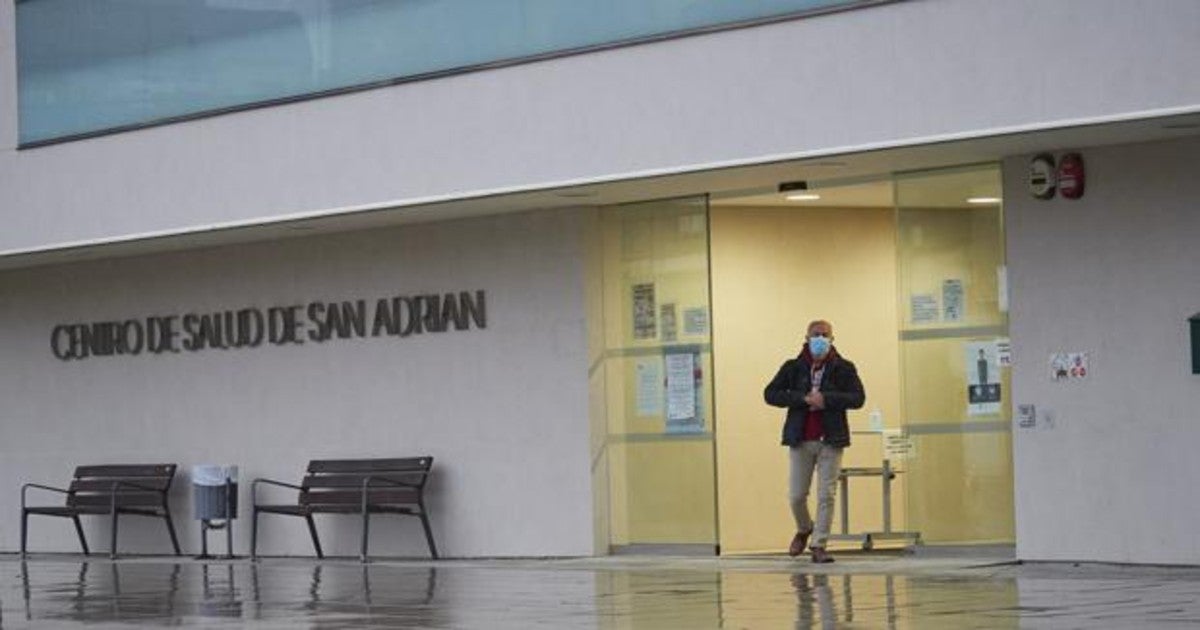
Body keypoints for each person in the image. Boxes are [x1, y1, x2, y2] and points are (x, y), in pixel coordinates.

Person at [763, 319, 865, 563]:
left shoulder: (844, 368)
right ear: (807, 338)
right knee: (797, 495)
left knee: (826, 494)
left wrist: (827, 399)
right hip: (800, 438)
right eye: (816, 335)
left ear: (832, 339)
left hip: (831, 438)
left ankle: (819, 544)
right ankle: (804, 527)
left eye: (825, 335)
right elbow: (771, 394)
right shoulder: (793, 367)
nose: (820, 339)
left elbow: (857, 398)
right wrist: (803, 399)